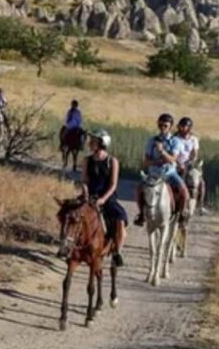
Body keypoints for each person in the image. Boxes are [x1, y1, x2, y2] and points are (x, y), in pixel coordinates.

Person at [134, 113, 190, 227]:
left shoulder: (175, 141)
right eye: (161, 125)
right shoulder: (152, 140)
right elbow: (146, 160)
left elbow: (173, 159)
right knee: (139, 189)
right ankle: (141, 214)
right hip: (153, 174)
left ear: (170, 126)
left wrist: (162, 152)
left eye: (165, 125)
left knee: (184, 191)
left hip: (169, 173)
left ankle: (182, 214)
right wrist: (156, 162)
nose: (163, 127)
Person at [81, 129, 127, 266]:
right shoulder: (86, 160)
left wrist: (103, 199)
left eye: (93, 141)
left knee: (119, 217)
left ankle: (117, 252)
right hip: (90, 195)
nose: (90, 143)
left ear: (102, 143)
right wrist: (85, 190)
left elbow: (113, 185)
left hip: (107, 197)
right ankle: (68, 243)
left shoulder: (112, 161)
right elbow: (84, 180)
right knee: (70, 211)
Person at [174, 117, 206, 214]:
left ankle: (200, 205)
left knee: (201, 182)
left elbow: (194, 153)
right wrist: (179, 163)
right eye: (181, 126)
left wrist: (191, 161)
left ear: (189, 128)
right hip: (176, 163)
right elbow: (172, 153)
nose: (182, 128)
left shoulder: (193, 139)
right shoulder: (175, 138)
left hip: (189, 164)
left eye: (185, 127)